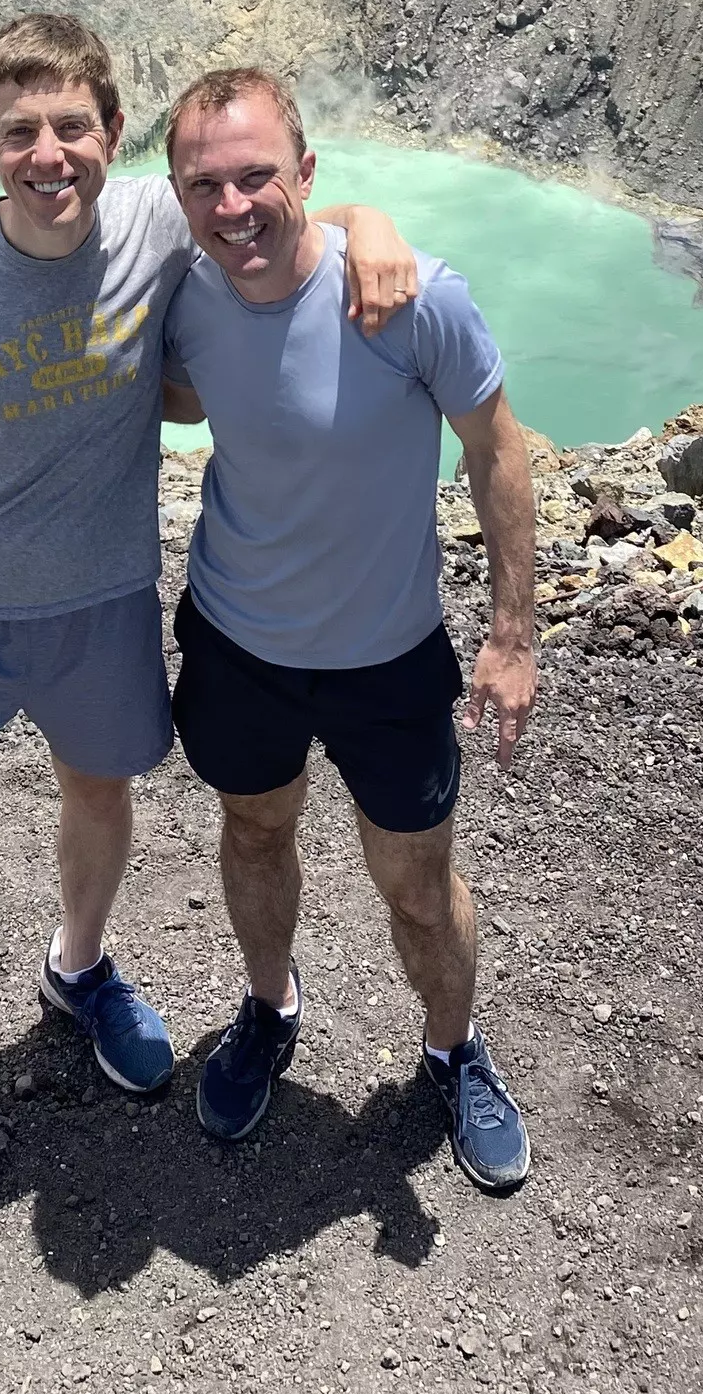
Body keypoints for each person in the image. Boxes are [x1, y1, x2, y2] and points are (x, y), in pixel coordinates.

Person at [0, 15, 420, 1284]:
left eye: (70, 126)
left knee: (100, 796)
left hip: (101, 612)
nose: (48, 154)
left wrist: (374, 224)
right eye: (19, 131)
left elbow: (277, 206)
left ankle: (77, 969)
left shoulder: (153, 225)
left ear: (110, 136)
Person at [159, 66, 539, 1192]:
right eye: (206, 185)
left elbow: (498, 448)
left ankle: (451, 1049)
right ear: (180, 197)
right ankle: (269, 1008)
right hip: (237, 645)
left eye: (257, 177)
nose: (233, 207)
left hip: (386, 658)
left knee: (418, 884)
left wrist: (513, 632)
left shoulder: (411, 297)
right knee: (254, 832)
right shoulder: (185, 291)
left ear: (307, 174)